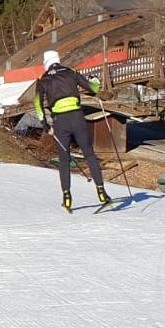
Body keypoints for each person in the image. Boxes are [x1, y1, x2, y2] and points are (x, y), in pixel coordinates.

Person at [33, 50, 108, 212]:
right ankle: (101, 192)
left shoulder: (43, 79)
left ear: (45, 64)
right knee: (89, 154)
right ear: (58, 60)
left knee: (64, 159)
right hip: (77, 117)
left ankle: (67, 197)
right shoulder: (70, 72)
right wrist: (94, 80)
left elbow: (37, 104)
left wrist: (45, 125)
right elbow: (93, 88)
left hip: (60, 122)